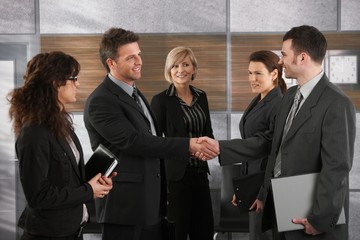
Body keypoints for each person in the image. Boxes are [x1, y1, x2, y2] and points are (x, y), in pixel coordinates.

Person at [199, 25, 356, 240]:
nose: (280, 60)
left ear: (302, 58)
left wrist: (320, 219)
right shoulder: (290, 96)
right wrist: (263, 193)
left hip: (311, 218)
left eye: (283, 54)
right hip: (280, 209)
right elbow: (273, 147)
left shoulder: (337, 103)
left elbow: (337, 168)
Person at [83, 28, 218, 240]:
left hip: (150, 204)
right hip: (125, 208)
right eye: (130, 57)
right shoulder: (102, 100)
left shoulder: (135, 94)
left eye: (139, 54)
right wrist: (189, 146)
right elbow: (135, 141)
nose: (138, 61)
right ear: (111, 63)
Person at [8, 51, 114, 240]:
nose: (78, 84)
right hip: (49, 234)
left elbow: (65, 177)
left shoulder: (60, 123)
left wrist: (94, 181)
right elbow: (38, 196)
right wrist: (88, 191)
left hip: (73, 230)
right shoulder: (34, 132)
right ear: (55, 82)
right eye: (73, 78)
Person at [150, 46, 214, 240]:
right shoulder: (161, 101)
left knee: (204, 231)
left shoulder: (201, 97)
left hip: (201, 174)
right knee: (177, 233)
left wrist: (207, 150)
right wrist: (187, 149)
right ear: (169, 71)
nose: (181, 70)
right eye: (175, 66)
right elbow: (154, 142)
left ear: (194, 68)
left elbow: (208, 132)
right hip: (175, 179)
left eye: (186, 64)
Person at [230, 50, 287, 240]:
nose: (252, 78)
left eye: (258, 73)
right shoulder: (259, 99)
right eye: (249, 73)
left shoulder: (277, 103)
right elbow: (250, 149)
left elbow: (273, 152)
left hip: (265, 186)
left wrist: (263, 192)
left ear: (274, 74)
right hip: (252, 183)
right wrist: (242, 188)